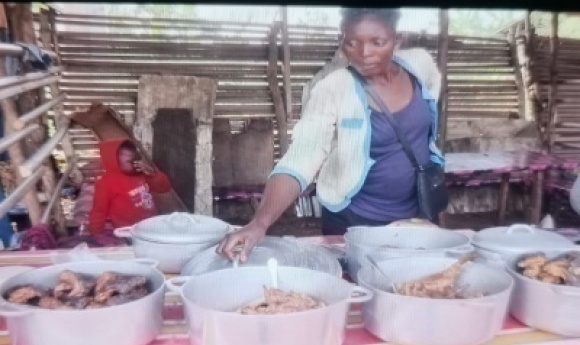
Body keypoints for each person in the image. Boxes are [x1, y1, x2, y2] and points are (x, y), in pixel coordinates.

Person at [217, 7, 444, 262]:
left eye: (377, 42)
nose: (364, 53)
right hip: (354, 224)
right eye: (352, 42)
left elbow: (427, 120)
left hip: (416, 218)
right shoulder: (332, 89)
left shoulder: (419, 67)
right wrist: (259, 223)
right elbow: (302, 158)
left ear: (397, 40)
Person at [89, 139, 172, 234]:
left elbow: (165, 188)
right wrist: (96, 235)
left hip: (152, 226)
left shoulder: (140, 174)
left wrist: (153, 174)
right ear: (111, 158)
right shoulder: (105, 183)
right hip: (129, 232)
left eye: (130, 153)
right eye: (122, 154)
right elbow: (99, 211)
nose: (129, 156)